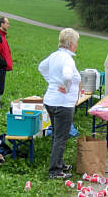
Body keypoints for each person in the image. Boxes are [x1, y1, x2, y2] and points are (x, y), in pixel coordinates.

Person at [38, 28, 81, 179]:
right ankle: (54, 170)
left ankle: (59, 163)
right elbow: (68, 76)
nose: (77, 45)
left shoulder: (54, 56)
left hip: (51, 101)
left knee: (57, 134)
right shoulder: (67, 59)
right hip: (63, 104)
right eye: (76, 43)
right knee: (61, 137)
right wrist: (67, 87)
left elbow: (41, 67)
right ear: (70, 44)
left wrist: (51, 81)